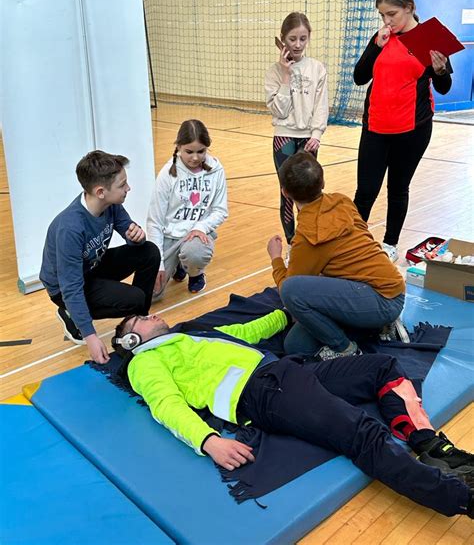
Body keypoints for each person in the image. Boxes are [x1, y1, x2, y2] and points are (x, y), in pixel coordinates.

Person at [112, 309, 474, 519]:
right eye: (141, 320)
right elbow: (166, 406)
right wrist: (208, 441)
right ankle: (459, 498)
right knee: (359, 432)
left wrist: (289, 307)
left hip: (291, 370)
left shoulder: (191, 335)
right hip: (264, 393)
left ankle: (427, 443)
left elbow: (246, 332)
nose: (152, 315)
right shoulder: (144, 362)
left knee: (381, 368)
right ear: (131, 341)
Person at [266, 152, 405, 360]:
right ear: (323, 182)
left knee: (291, 290)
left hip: (380, 299)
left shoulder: (307, 236)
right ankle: (376, 326)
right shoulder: (342, 201)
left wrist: (276, 259)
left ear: (285, 192)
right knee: (296, 344)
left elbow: (290, 291)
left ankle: (345, 349)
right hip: (392, 289)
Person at [353, 0, 452, 263]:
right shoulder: (381, 37)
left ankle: (390, 244)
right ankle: (354, 243)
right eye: (382, 15)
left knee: (398, 188)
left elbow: (444, 86)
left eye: (392, 14)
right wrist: (375, 46)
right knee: (366, 190)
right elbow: (360, 77)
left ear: (409, 8)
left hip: (412, 131)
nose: (387, 21)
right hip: (375, 127)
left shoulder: (429, 38)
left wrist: (440, 69)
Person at [40, 150, 160, 364]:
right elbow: (71, 287)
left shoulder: (111, 205)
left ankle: (139, 322)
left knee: (149, 251)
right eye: (122, 185)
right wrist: (91, 337)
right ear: (101, 191)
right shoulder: (70, 229)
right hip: (64, 288)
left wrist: (137, 237)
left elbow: (130, 234)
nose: (128, 188)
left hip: (91, 267)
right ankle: (71, 315)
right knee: (135, 298)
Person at [265, 12, 329, 257]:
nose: (298, 45)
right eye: (292, 39)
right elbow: (279, 110)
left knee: (309, 191)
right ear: (283, 40)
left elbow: (321, 104)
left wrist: (317, 133)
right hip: (284, 137)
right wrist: (285, 75)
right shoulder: (273, 72)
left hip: (308, 138)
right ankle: (293, 245)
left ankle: (309, 238)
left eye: (303, 38)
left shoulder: (317, 69)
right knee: (288, 192)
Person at [147, 119, 228, 297]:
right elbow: (155, 222)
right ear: (179, 147)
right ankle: (177, 265)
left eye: (201, 151)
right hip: (169, 237)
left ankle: (194, 273)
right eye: (189, 152)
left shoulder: (216, 170)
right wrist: (158, 264)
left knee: (195, 253)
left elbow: (220, 211)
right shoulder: (167, 174)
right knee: (149, 296)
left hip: (196, 236)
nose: (195, 158)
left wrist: (201, 227)